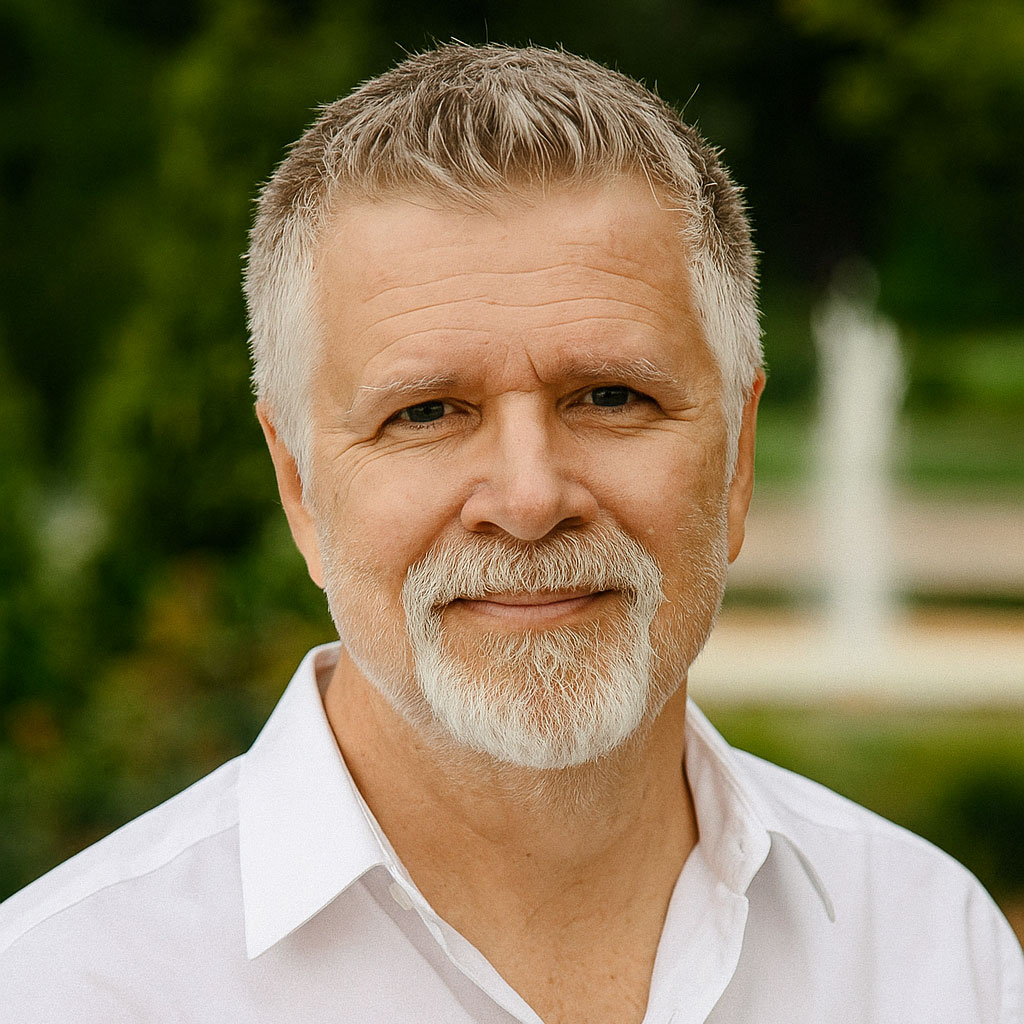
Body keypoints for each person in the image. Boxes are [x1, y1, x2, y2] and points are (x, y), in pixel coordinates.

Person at [1, 43, 1021, 1024]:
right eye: (428, 411)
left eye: (610, 395)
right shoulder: (67, 990)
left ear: (739, 457)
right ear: (299, 486)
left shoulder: (933, 950)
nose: (530, 499)